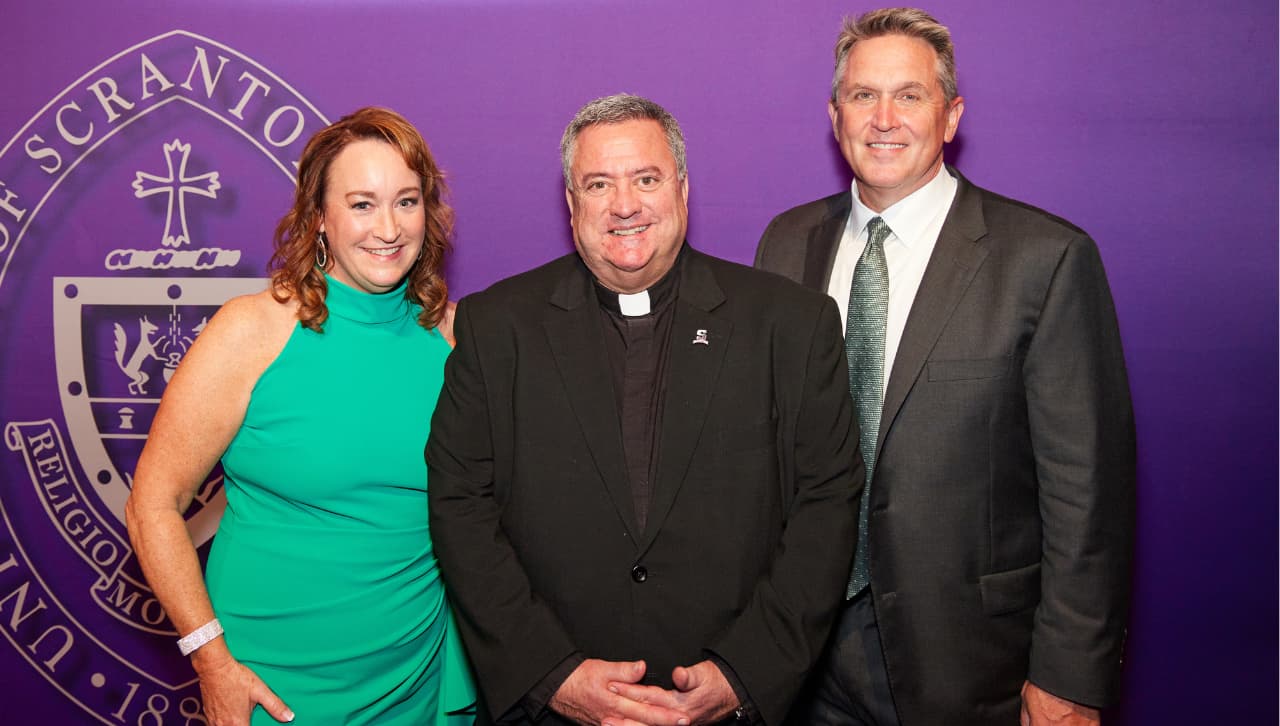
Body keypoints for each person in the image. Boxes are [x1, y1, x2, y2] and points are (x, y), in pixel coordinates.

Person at [426, 93, 860, 726]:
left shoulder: (790, 325)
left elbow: (827, 506)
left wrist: (744, 673)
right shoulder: (497, 328)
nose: (624, 205)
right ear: (572, 206)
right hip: (552, 706)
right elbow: (459, 505)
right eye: (598, 184)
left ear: (682, 189)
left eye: (646, 179)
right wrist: (552, 674)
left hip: (733, 704)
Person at [754, 8, 1135, 726]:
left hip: (973, 663)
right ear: (836, 116)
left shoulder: (1044, 260)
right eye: (863, 95)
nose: (884, 118)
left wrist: (1070, 680)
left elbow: (1089, 497)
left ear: (951, 115)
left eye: (910, 94)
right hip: (802, 661)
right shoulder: (785, 243)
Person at [126, 107, 475, 726]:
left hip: (415, 686)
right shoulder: (251, 331)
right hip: (272, 689)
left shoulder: (454, 338)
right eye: (362, 204)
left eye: (407, 200)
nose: (389, 227)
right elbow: (153, 502)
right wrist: (210, 660)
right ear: (319, 217)